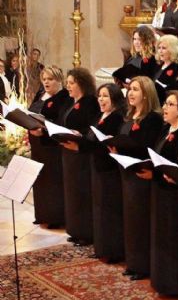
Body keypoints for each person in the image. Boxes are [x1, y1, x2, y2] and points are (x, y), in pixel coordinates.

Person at [143, 90, 178, 296]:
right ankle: (162, 280)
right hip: (160, 187)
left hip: (174, 192)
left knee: (173, 236)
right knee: (161, 234)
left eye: (171, 105)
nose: (164, 108)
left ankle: (176, 284)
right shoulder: (167, 129)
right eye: (165, 104)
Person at [112, 76, 163, 280]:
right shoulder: (129, 115)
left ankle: (144, 265)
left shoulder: (153, 118)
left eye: (135, 89)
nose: (130, 93)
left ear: (146, 94)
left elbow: (147, 146)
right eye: (130, 89)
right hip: (126, 171)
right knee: (130, 219)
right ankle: (133, 262)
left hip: (141, 174)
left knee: (141, 220)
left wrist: (123, 147)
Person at [59, 67, 100, 246]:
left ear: (82, 83)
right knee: (72, 192)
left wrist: (80, 135)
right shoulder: (70, 102)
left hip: (81, 153)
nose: (68, 87)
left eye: (71, 83)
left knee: (82, 192)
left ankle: (85, 232)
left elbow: (92, 128)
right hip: (69, 153)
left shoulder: (90, 102)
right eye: (67, 83)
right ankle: (75, 229)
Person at [28, 66, 71, 228]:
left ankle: (55, 217)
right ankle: (42, 214)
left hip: (51, 146)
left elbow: (61, 122)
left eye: (50, 79)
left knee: (53, 182)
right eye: (44, 79)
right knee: (40, 180)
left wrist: (43, 132)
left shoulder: (64, 97)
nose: (46, 82)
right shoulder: (40, 94)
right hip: (37, 144)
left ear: (59, 80)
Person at [89, 83, 127, 263]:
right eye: (99, 96)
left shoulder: (117, 118)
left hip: (110, 168)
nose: (101, 100)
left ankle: (113, 250)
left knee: (110, 209)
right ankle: (102, 247)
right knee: (100, 208)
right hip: (98, 165)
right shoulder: (100, 115)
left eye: (105, 96)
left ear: (115, 98)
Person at [154, 34, 178, 104]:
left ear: (173, 50)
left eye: (164, 48)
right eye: (159, 48)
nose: (160, 51)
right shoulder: (157, 65)